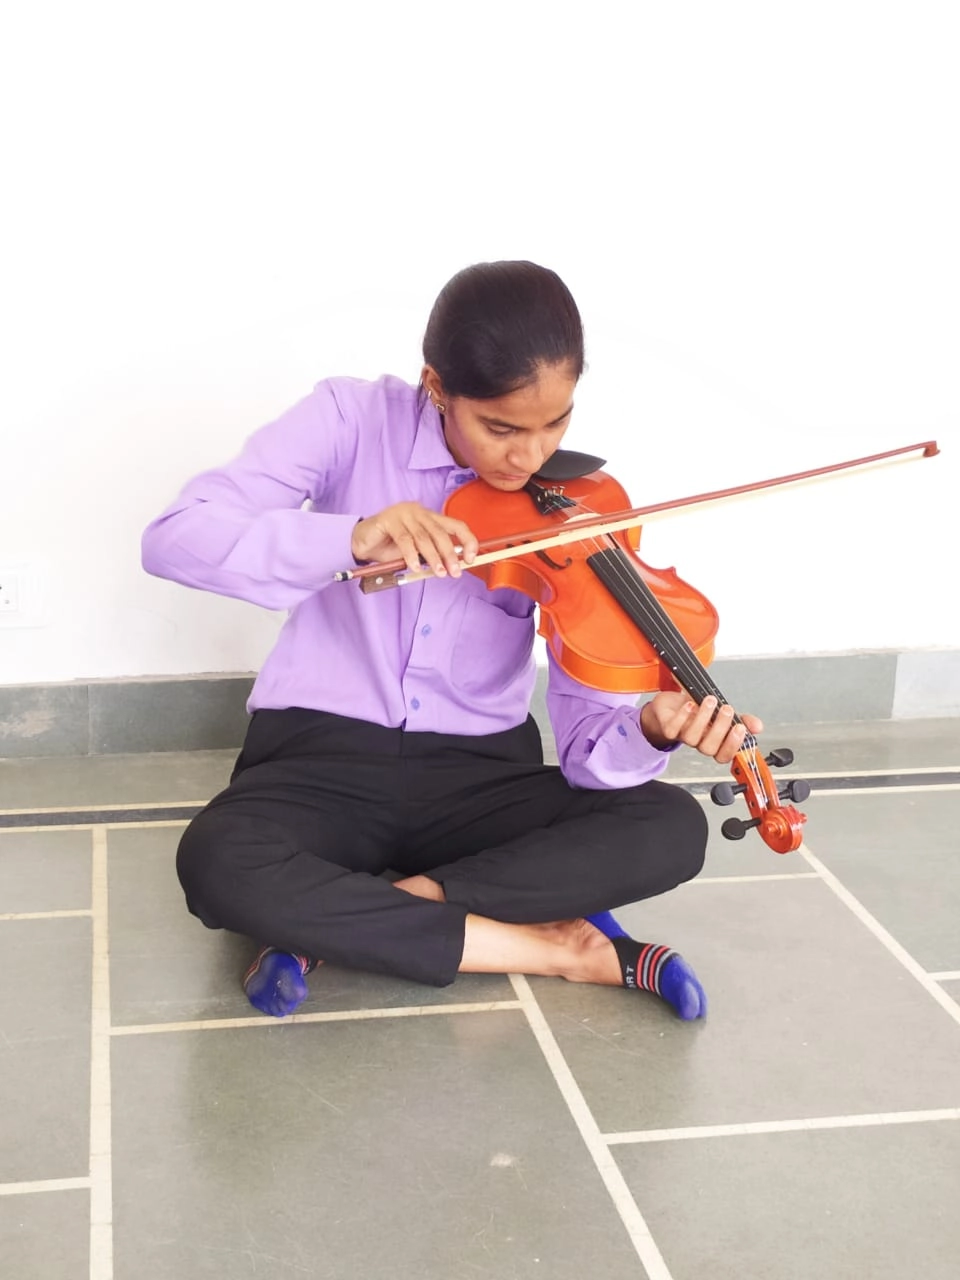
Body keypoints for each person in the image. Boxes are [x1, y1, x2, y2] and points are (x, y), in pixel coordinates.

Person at [141, 260, 761, 1022]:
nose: (530, 458)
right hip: (319, 758)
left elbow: (587, 757)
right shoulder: (347, 417)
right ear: (437, 387)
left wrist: (649, 728)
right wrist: (349, 536)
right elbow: (175, 539)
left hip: (479, 777)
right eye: (501, 428)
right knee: (216, 861)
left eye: (555, 423)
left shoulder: (577, 511)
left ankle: (342, 919)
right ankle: (554, 949)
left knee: (669, 826)